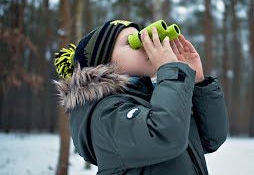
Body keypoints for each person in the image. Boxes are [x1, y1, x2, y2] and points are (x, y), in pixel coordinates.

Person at [54, 20, 229, 175]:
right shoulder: (103, 114)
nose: (145, 45)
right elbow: (163, 136)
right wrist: (171, 72)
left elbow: (210, 139)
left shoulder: (158, 96)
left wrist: (198, 82)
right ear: (103, 62)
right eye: (133, 42)